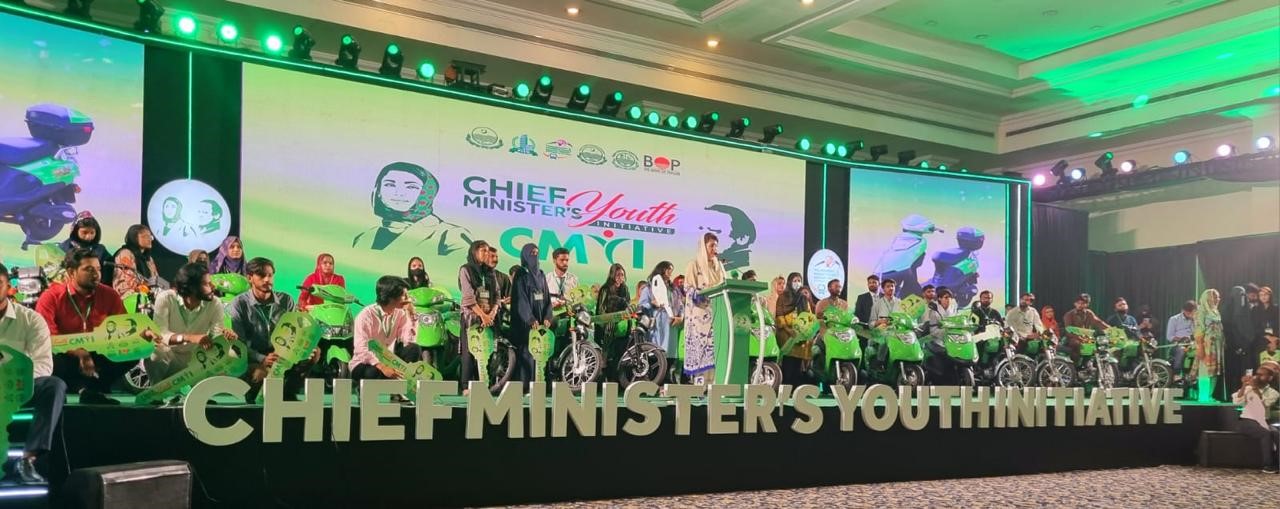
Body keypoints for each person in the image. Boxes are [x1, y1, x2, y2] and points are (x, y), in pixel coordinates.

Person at [35, 248, 132, 405]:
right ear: (71, 272)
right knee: (50, 358)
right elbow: (47, 337)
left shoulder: (110, 295)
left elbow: (123, 329)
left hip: (99, 353)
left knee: (133, 352)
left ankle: (95, 387)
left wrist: (141, 336)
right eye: (89, 269)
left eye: (98, 269)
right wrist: (78, 352)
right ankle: (82, 389)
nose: (96, 274)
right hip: (66, 354)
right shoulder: (51, 297)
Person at [0, 262, 64, 484]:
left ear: (9, 287)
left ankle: (28, 459)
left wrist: (14, 380)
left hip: (19, 386)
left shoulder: (31, 320)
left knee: (54, 385)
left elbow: (43, 364)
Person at [229, 257, 315, 402]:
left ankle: (288, 392)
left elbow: (296, 332)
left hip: (282, 352)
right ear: (250, 278)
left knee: (314, 353)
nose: (267, 279)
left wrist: (302, 345)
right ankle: (253, 394)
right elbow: (239, 345)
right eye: (261, 276)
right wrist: (262, 359)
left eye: (270, 275)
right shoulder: (239, 303)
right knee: (260, 374)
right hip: (255, 356)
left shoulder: (286, 300)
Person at [148, 263, 237, 400]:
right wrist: (189, 337)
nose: (213, 286)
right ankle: (156, 393)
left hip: (197, 360)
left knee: (231, 355)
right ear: (191, 287)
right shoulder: (166, 298)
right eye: (206, 284)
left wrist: (226, 339)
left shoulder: (215, 303)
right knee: (155, 349)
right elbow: (160, 335)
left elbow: (216, 336)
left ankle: (199, 395)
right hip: (170, 356)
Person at [352, 162, 472, 254]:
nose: (399, 193)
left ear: (426, 193)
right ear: (378, 191)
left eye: (411, 187)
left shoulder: (451, 235)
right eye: (390, 184)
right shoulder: (364, 237)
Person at [349, 276, 422, 393]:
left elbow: (408, 340)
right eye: (404, 295)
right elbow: (361, 349)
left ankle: (399, 391)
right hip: (365, 363)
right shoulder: (366, 316)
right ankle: (361, 389)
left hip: (389, 360)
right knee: (372, 372)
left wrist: (412, 314)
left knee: (414, 349)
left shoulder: (400, 314)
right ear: (391, 297)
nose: (407, 299)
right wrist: (382, 367)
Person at [682, 233, 726, 386]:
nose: (715, 249)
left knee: (716, 353)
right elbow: (688, 288)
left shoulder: (718, 266)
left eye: (716, 245)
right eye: (711, 245)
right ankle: (700, 389)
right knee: (701, 356)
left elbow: (724, 286)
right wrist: (700, 295)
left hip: (717, 315)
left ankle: (713, 388)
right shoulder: (694, 265)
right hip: (699, 318)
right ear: (703, 247)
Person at [458, 240, 499, 393]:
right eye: (483, 250)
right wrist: (482, 315)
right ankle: (466, 386)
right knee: (469, 351)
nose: (486, 253)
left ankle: (483, 384)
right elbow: (468, 297)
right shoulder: (466, 270)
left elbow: (497, 296)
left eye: (488, 250)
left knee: (486, 351)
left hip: (489, 318)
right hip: (471, 317)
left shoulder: (490, 272)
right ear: (474, 252)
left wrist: (492, 314)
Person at [510, 244, 552, 385]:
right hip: (526, 323)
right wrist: (529, 318)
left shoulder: (541, 275)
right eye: (532, 253)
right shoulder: (521, 274)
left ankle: (538, 383)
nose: (535, 255)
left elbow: (547, 298)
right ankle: (525, 385)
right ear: (525, 255)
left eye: (536, 253)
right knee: (527, 352)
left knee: (540, 351)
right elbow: (520, 299)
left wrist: (548, 316)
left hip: (540, 321)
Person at [1230, 359, 1279, 473]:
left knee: (1277, 434)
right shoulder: (1248, 388)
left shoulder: (1274, 393)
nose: (1257, 377)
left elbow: (1265, 404)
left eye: (1262, 375)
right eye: (1257, 374)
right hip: (1246, 421)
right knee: (1265, 433)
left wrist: (1256, 389)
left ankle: (1277, 464)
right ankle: (1267, 465)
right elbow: (1236, 401)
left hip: (1263, 421)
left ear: (1270, 378)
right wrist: (1244, 385)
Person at [776, 272, 815, 385]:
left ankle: (795, 389)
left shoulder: (803, 298)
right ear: (789, 282)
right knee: (788, 364)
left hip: (800, 336)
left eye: (799, 281)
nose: (797, 283)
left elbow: (809, 315)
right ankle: (786, 387)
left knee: (798, 365)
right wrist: (788, 330)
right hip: (786, 335)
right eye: (795, 281)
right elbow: (779, 315)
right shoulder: (783, 297)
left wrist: (806, 330)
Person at [111, 224, 168, 294]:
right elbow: (126, 284)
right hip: (129, 296)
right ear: (134, 238)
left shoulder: (148, 258)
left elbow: (156, 279)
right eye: (144, 236)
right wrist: (148, 284)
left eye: (150, 236)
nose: (149, 239)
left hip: (147, 294)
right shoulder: (125, 254)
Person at [1192, 288, 1225, 400]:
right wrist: (1200, 347)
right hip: (1206, 344)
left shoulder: (1215, 311)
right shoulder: (1200, 311)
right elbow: (1198, 330)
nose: (1217, 299)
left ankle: (1210, 395)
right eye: (1214, 297)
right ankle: (1203, 395)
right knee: (1205, 370)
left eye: (1218, 297)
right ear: (1207, 298)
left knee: (1214, 371)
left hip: (1217, 345)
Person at [639, 261, 676, 354]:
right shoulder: (648, 288)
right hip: (655, 323)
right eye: (669, 270)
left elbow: (677, 304)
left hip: (669, 324)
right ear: (662, 270)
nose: (670, 273)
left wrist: (679, 316)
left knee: (666, 352)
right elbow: (641, 306)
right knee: (654, 351)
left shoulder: (672, 289)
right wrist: (652, 304)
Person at [1062, 293, 1109, 363]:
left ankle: (1090, 363)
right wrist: (1079, 338)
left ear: (1087, 304)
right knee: (1077, 344)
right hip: (1072, 338)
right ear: (1075, 303)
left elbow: (1098, 322)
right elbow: (1068, 331)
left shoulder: (1089, 313)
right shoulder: (1069, 315)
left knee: (1099, 343)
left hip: (1087, 338)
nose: (1080, 305)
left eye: (1083, 303)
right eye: (1078, 303)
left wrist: (1110, 329)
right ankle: (1075, 366)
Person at [1165, 300, 1198, 382]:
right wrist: (1181, 339)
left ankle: (1194, 375)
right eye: (1190, 313)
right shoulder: (1174, 319)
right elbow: (1169, 336)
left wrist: (1195, 321)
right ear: (1184, 311)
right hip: (1178, 344)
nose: (1192, 314)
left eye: (1193, 312)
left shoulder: (1195, 320)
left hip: (1192, 344)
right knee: (1181, 350)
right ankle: (1177, 374)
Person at [545, 247, 580, 312]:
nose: (565, 263)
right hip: (551, 314)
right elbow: (542, 300)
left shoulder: (574, 279)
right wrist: (551, 304)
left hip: (569, 314)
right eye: (562, 260)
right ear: (554, 261)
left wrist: (567, 303)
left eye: (567, 260)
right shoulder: (546, 279)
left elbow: (577, 301)